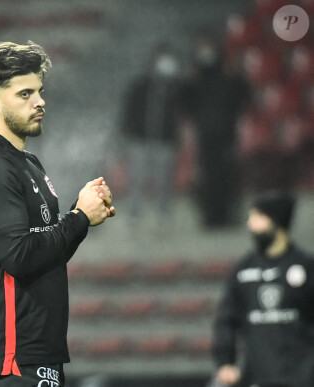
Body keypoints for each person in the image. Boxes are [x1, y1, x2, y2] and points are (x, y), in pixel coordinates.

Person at [0, 41, 115, 386]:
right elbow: (20, 257)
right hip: (12, 358)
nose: (40, 101)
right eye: (25, 94)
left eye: (39, 92)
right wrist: (79, 218)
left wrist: (80, 214)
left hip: (37, 353)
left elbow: (45, 254)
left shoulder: (27, 164)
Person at [211, 191, 314, 387]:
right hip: (258, 377)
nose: (251, 225)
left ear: (276, 221)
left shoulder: (307, 268)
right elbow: (226, 320)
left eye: (258, 217)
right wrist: (225, 361)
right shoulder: (244, 270)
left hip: (302, 377)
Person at [184, 34, 250, 228]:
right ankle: (211, 218)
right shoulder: (196, 79)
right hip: (206, 136)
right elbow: (186, 102)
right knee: (208, 177)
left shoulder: (229, 77)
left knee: (226, 176)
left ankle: (226, 217)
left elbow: (243, 96)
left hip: (225, 135)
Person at [121, 44, 183, 226]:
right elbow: (129, 110)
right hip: (140, 139)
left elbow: (180, 114)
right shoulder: (140, 86)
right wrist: (128, 132)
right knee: (137, 178)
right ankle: (134, 212)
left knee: (164, 178)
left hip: (165, 140)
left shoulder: (174, 89)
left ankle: (162, 212)